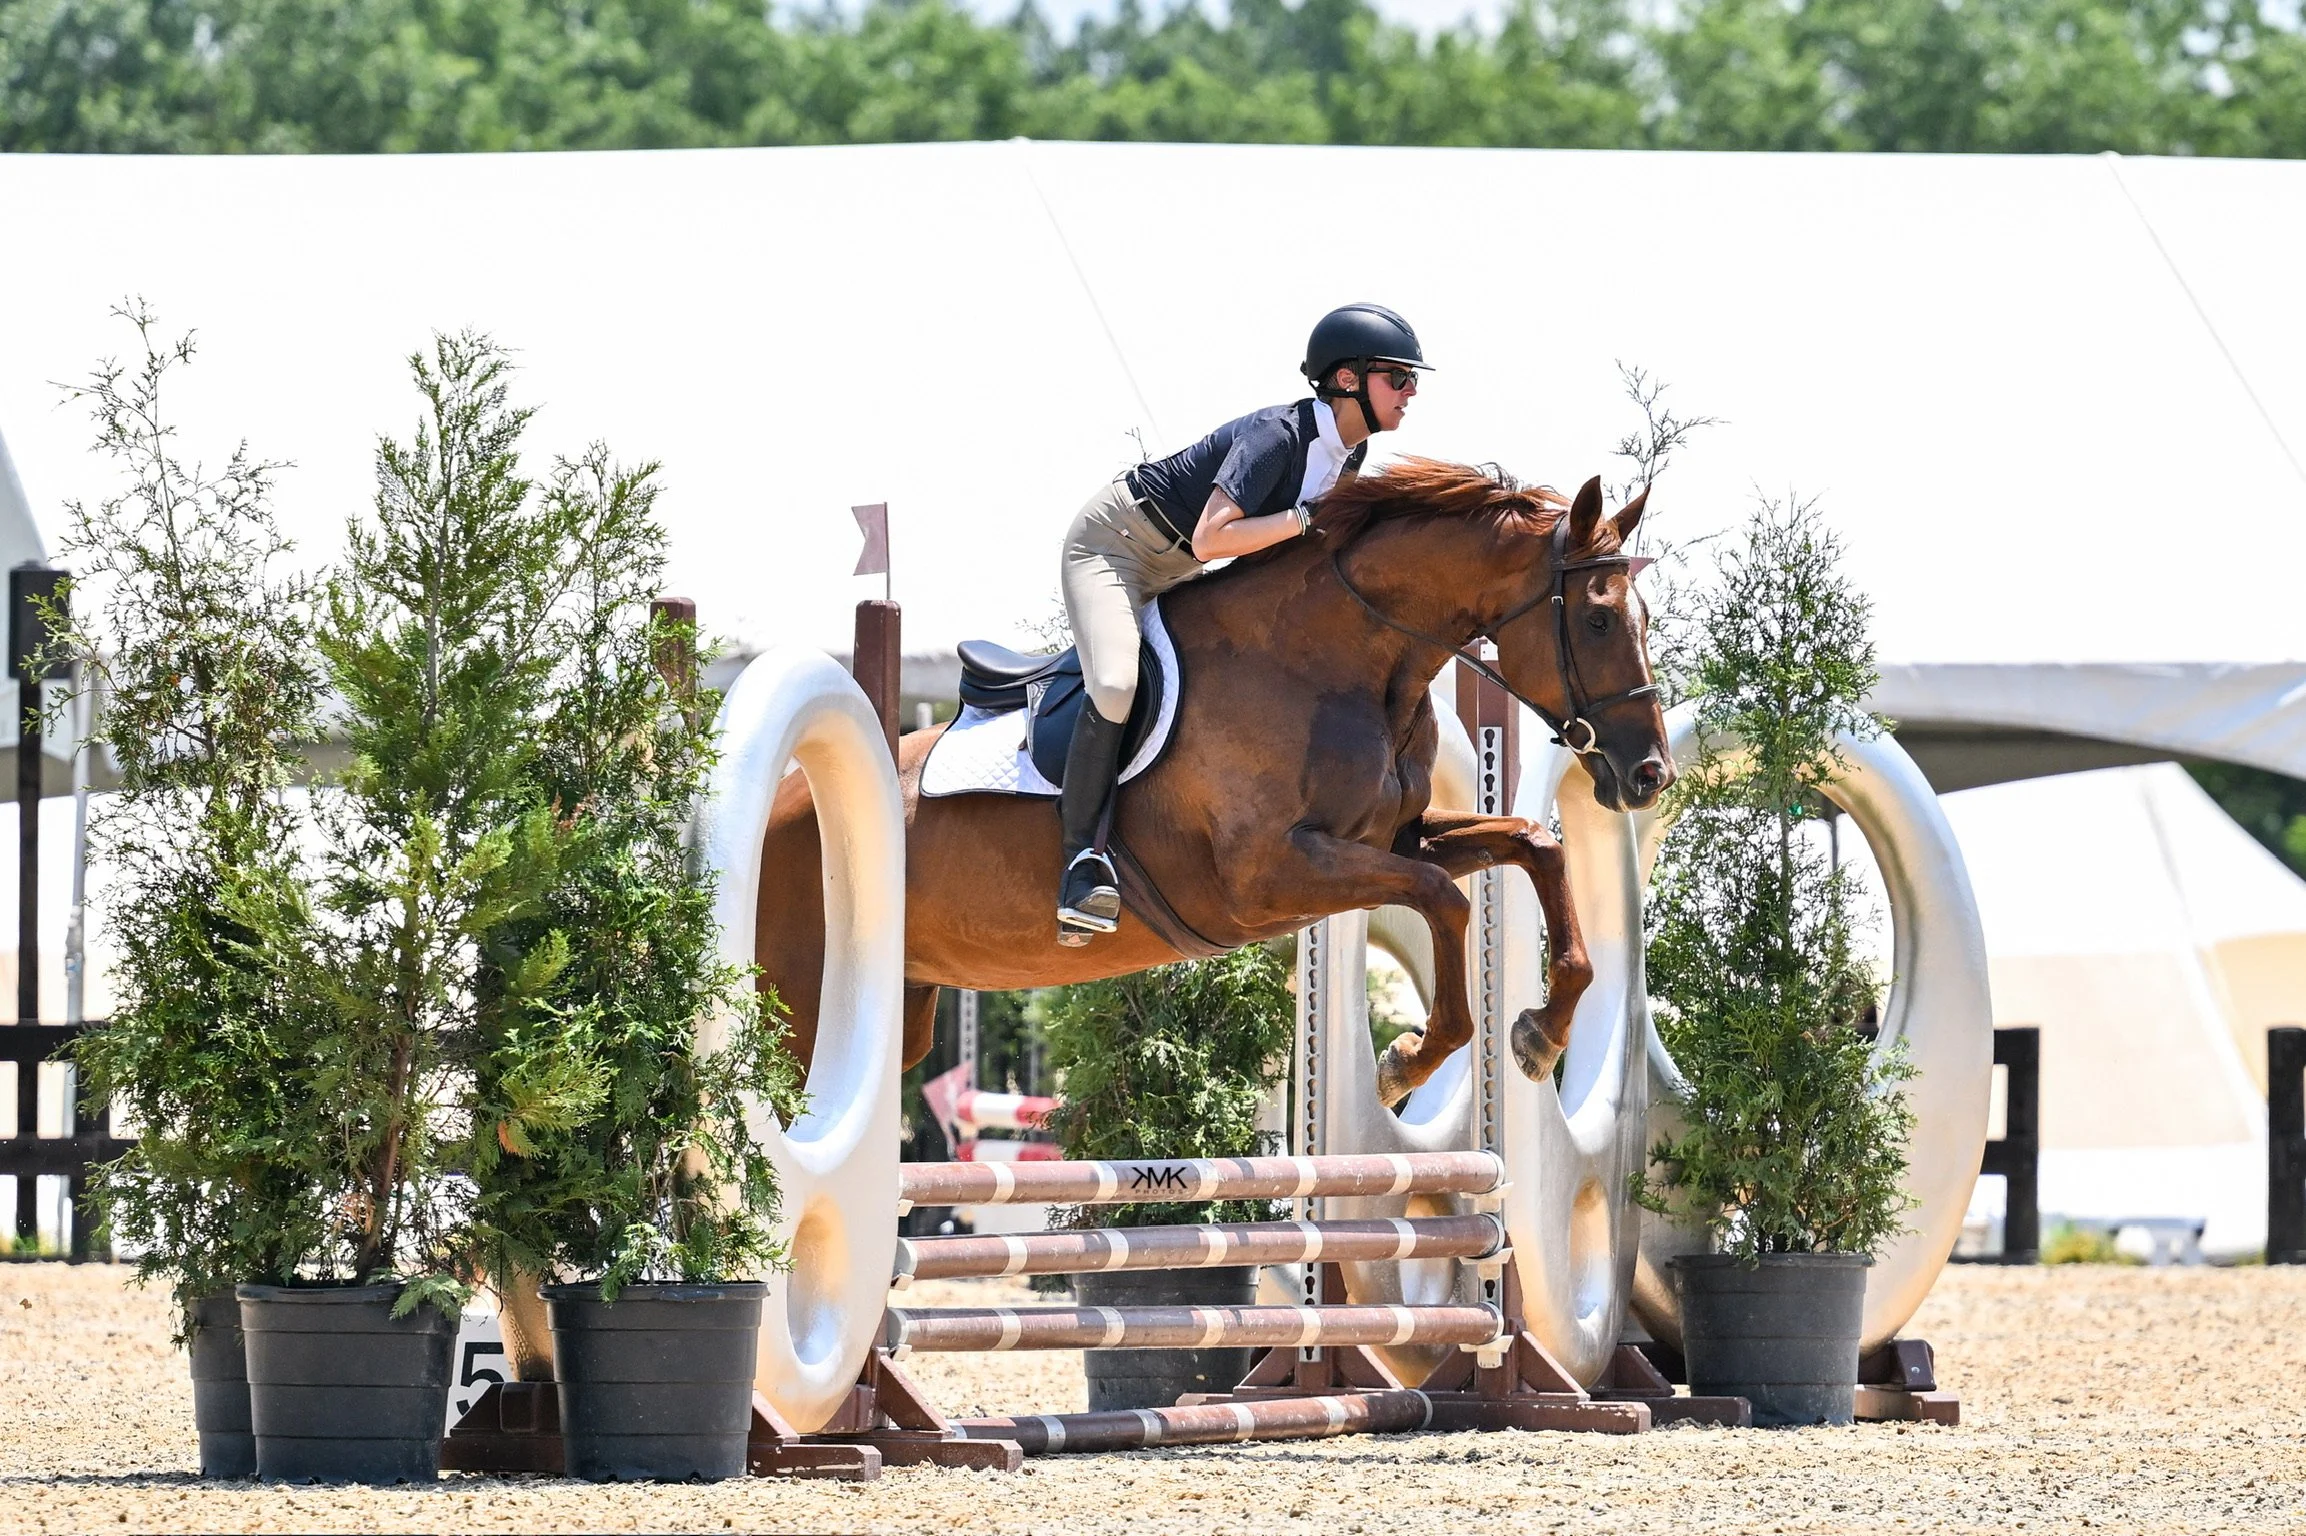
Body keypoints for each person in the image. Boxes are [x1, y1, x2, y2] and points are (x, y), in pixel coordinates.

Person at [1053, 302, 1432, 942]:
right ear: (1347, 380)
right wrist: (1307, 521)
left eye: (1411, 380)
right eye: (1397, 377)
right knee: (1116, 685)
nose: (1411, 391)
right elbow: (1212, 537)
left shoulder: (1350, 454)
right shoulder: (1278, 435)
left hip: (1177, 572)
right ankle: (1079, 865)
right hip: (1115, 547)